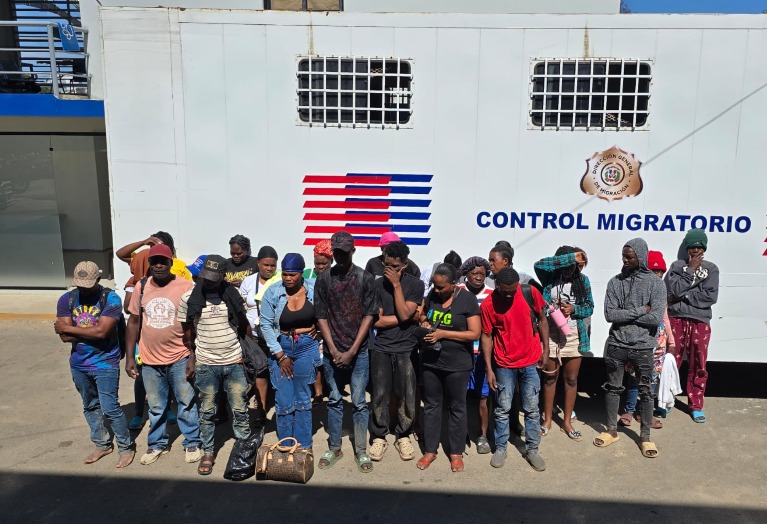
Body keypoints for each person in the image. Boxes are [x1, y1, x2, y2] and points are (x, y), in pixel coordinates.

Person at [124, 244, 201, 465]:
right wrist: (130, 357)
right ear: (149, 264)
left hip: (180, 356)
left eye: (163, 262)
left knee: (186, 402)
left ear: (170, 263)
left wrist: (193, 355)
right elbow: (133, 322)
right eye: (154, 262)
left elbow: (194, 323)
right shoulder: (141, 286)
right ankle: (157, 444)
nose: (159, 266)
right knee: (156, 406)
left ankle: (192, 441)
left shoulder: (185, 286)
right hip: (149, 359)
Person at [54, 261, 135, 468]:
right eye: (80, 285)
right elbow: (64, 337)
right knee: (90, 406)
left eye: (88, 285)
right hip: (78, 364)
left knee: (110, 408)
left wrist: (71, 329)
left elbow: (101, 332)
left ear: (98, 279)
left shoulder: (111, 298)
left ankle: (126, 447)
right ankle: (102, 444)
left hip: (105, 363)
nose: (84, 289)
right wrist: (88, 332)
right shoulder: (66, 299)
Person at [179, 255, 251, 475]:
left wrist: (246, 354)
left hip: (234, 361)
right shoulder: (189, 298)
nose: (208, 281)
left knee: (240, 409)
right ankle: (208, 452)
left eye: (213, 278)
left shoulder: (233, 295)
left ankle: (243, 451)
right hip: (206, 363)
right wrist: (192, 357)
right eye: (205, 277)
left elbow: (243, 325)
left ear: (223, 276)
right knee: (207, 411)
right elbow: (187, 331)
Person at [594, 238, 666, 459]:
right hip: (617, 343)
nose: (625, 260)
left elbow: (655, 318)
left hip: (643, 346)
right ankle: (611, 431)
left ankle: (645, 437)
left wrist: (626, 314)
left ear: (641, 257)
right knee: (613, 388)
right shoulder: (615, 282)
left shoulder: (656, 284)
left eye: (629, 257)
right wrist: (640, 310)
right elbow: (610, 315)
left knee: (646, 391)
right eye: (623, 256)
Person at [314, 231, 377, 473]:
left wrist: (352, 350)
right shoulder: (324, 279)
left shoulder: (365, 278)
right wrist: (332, 348)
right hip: (333, 351)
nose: (340, 257)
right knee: (334, 400)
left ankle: (361, 449)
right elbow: (320, 316)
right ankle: (335, 447)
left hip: (358, 351)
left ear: (353, 251)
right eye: (336, 252)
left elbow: (368, 316)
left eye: (344, 252)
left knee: (359, 402)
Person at [116, 231, 189, 430]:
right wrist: (143, 242)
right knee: (142, 377)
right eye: (152, 247)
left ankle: (169, 409)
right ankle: (139, 413)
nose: (158, 264)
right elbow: (121, 254)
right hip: (145, 337)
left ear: (170, 256)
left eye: (161, 249)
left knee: (173, 379)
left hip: (174, 342)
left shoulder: (180, 271)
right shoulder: (141, 266)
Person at [480, 268, 548, 471]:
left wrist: (546, 350)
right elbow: (486, 336)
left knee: (532, 410)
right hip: (504, 365)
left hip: (531, 362)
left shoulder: (529, 292)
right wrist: (489, 369)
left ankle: (532, 450)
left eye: (512, 291)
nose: (509, 295)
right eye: (505, 291)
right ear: (497, 286)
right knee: (502, 409)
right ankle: (501, 448)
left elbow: (542, 320)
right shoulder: (488, 304)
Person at [417, 264, 480, 472]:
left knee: (457, 407)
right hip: (431, 361)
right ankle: (430, 450)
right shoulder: (432, 295)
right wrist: (424, 323)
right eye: (435, 286)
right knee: (432, 406)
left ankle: (456, 452)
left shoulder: (467, 299)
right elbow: (422, 315)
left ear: (454, 285)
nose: (436, 290)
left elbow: (474, 333)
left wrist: (444, 334)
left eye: (441, 287)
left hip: (457, 365)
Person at [368, 241, 424, 463]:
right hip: (382, 347)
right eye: (386, 265)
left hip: (407, 348)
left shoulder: (415, 285)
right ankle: (379, 436)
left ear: (405, 265)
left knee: (407, 394)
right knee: (380, 394)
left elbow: (403, 312)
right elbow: (378, 321)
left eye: (395, 267)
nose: (389, 270)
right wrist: (407, 317)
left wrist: (397, 286)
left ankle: (403, 434)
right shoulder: (377, 285)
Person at [534, 247, 593, 441]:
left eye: (573, 266)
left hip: (574, 334)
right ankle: (547, 420)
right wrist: (570, 257)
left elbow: (589, 307)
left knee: (571, 380)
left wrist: (574, 309)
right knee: (550, 378)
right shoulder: (549, 277)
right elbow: (539, 264)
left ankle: (567, 422)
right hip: (550, 333)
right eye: (567, 265)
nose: (570, 269)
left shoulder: (583, 281)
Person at [260, 253, 318, 450]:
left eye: (293, 275)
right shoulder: (273, 292)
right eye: (285, 274)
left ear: (301, 273)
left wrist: (319, 328)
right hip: (281, 345)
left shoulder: (313, 289)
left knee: (303, 397)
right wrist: (280, 355)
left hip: (306, 347)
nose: (288, 278)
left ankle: (303, 446)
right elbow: (266, 325)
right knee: (284, 398)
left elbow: (326, 312)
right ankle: (285, 444)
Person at [664, 229, 719, 423]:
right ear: (687, 248)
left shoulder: (711, 269)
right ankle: (666, 401)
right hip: (676, 319)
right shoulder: (677, 266)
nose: (696, 250)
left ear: (704, 248)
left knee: (698, 364)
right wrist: (690, 270)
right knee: (671, 361)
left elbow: (710, 297)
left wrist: (684, 295)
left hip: (700, 321)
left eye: (699, 247)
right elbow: (673, 290)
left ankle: (696, 405)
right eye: (692, 247)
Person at [621, 250, 676, 428]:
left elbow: (665, 317)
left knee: (652, 378)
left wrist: (671, 340)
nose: (658, 275)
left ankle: (645, 413)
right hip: (638, 337)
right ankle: (629, 410)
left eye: (661, 272)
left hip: (658, 340)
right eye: (654, 271)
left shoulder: (661, 292)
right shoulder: (637, 290)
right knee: (633, 376)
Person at [239, 246, 281, 426]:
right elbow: (241, 307)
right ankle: (261, 412)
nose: (269, 269)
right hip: (254, 337)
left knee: (279, 373)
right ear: (258, 263)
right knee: (260, 373)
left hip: (276, 337)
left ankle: (282, 411)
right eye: (266, 265)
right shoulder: (248, 282)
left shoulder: (281, 280)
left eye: (273, 265)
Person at [457, 256, 493, 454]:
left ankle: (482, 436)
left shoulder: (492, 294)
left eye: (482, 274)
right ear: (466, 274)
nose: (479, 277)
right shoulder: (457, 291)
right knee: (459, 397)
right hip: (460, 353)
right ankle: (459, 433)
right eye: (474, 273)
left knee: (483, 397)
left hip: (482, 355)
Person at [304, 239, 333, 402]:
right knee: (313, 359)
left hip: (328, 324)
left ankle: (327, 389)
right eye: (317, 263)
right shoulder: (307, 274)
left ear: (331, 261)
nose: (320, 267)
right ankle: (316, 392)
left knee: (326, 359)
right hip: (310, 324)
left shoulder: (335, 276)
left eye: (324, 263)